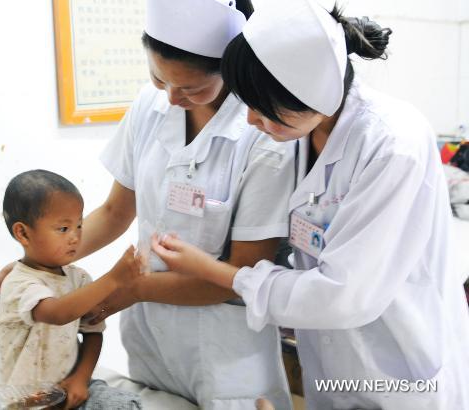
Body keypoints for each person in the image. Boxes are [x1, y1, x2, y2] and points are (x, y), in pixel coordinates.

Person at [151, 1, 469, 409]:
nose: (251, 121)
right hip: (334, 361)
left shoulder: (393, 144)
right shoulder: (301, 133)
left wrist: (220, 273)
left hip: (401, 365)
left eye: (264, 111)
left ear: (312, 97)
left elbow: (344, 295)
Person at [0, 0, 296, 408]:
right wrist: (36, 266)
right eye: (158, 77)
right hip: (152, 336)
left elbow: (240, 273)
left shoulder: (263, 135)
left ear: (232, 67)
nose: (170, 98)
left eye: (190, 88)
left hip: (225, 344)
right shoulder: (150, 107)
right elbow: (115, 212)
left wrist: (129, 287)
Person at [0, 170, 142, 409]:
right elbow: (57, 314)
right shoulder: (18, 284)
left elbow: (93, 331)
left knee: (124, 405)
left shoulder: (79, 278)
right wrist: (113, 279)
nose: (75, 237)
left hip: (71, 388)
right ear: (23, 233)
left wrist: (80, 379)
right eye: (63, 229)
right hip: (25, 399)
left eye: (79, 225)